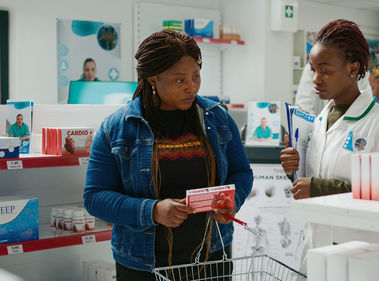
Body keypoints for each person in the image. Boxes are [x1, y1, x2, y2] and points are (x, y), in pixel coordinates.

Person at [83, 30, 253, 281]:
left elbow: (241, 172)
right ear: (153, 78)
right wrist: (152, 211)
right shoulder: (117, 127)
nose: (191, 87)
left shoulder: (218, 118)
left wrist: (233, 200)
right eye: (179, 80)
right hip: (143, 265)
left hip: (212, 258)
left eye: (196, 76)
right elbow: (95, 198)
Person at [279, 19, 379, 271]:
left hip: (363, 250)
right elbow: (317, 176)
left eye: (325, 70)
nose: (316, 78)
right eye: (312, 69)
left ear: (352, 68)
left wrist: (318, 187)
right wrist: (296, 168)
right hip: (317, 245)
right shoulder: (321, 118)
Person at [294, 62, 372, 115]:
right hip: (318, 129)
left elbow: (366, 101)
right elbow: (304, 106)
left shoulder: (360, 72)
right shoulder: (311, 67)